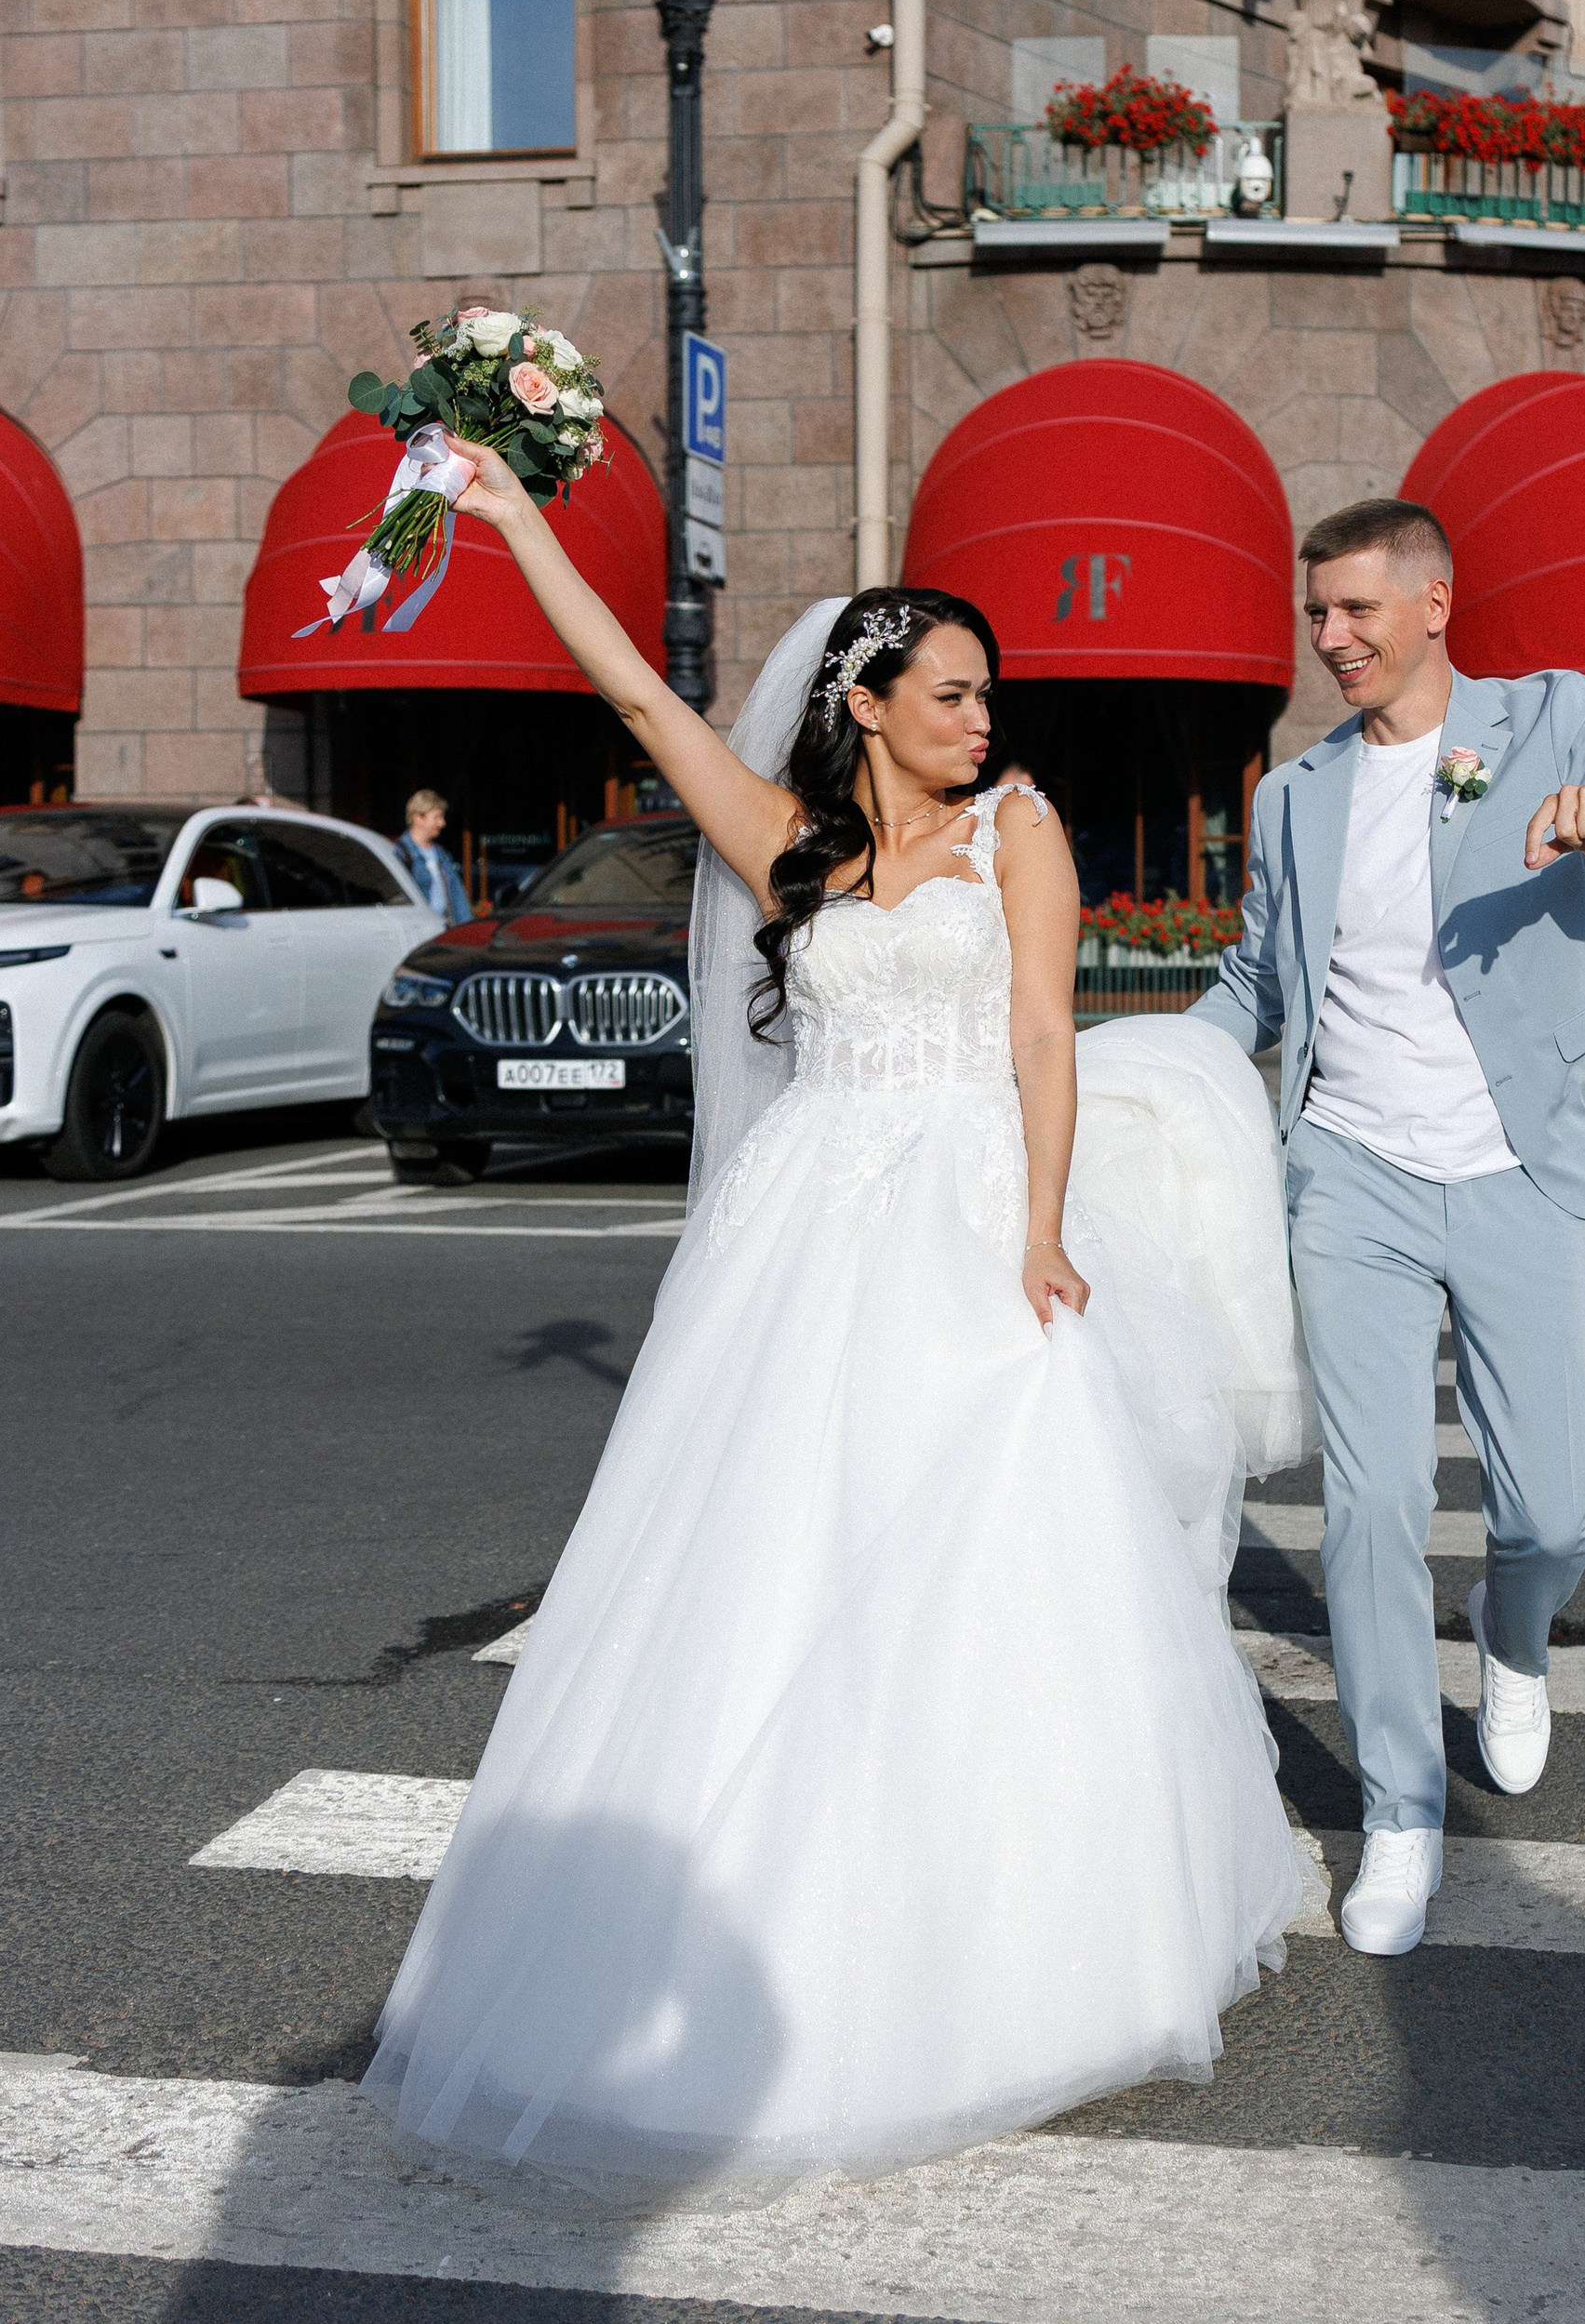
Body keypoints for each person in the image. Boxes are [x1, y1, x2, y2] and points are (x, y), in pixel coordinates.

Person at [362, 445, 1310, 2197]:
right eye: (950, 694)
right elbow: (642, 698)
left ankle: (1036, 1950)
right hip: (805, 1235)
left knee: (1002, 1563)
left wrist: (1038, 1228)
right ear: (864, 705)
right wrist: (512, 524)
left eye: (987, 694)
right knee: (774, 1558)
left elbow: (1041, 1031)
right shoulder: (789, 844)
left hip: (969, 1213)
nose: (980, 718)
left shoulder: (1017, 831)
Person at [1192, 498, 1585, 1959]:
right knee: (1373, 1507)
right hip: (1352, 1174)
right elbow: (1258, 986)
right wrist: (1140, 1079)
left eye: (1358, 612)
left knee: (1554, 1505)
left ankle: (1514, 1637)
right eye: (1317, 615)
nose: (1332, 642)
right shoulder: (1293, 795)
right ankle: (1399, 1810)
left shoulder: (1551, 719)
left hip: (1520, 1160)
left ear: (1436, 604)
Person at [396, 789, 471, 924]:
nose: (442, 823)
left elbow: (457, 896)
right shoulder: (400, 854)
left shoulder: (441, 854)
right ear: (418, 818)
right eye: (437, 817)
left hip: (443, 928)